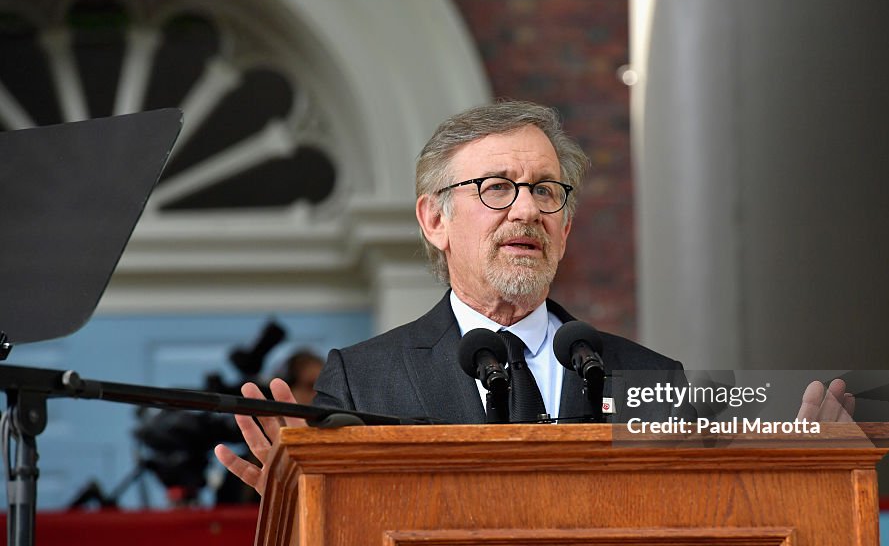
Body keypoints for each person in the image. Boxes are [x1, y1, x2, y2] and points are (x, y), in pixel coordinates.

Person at [214, 100, 854, 494]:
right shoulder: (364, 380)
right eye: (497, 188)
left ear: (567, 226)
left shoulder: (652, 378)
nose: (527, 210)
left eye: (547, 191)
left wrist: (800, 468)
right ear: (434, 220)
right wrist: (301, 505)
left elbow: (709, 515)